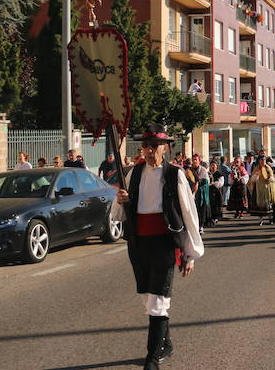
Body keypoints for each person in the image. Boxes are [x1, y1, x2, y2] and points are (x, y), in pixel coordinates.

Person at [110, 124, 203, 370]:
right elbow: (119, 214)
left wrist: (190, 254)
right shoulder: (134, 173)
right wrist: (121, 200)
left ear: (165, 148)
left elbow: (188, 215)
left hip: (164, 243)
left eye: (154, 146)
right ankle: (166, 343)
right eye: (146, 146)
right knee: (148, 297)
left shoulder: (175, 174)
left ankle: (152, 357)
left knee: (157, 299)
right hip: (139, 244)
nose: (149, 151)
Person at [248, 155, 275, 225]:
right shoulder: (256, 169)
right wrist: (255, 177)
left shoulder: (268, 168)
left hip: (266, 187)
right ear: (259, 161)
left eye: (264, 160)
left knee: (268, 203)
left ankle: (270, 218)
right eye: (261, 160)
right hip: (258, 188)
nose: (263, 161)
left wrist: (270, 179)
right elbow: (252, 179)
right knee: (259, 204)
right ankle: (261, 220)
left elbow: (272, 177)